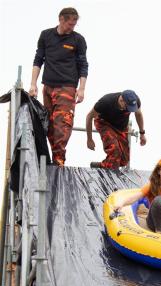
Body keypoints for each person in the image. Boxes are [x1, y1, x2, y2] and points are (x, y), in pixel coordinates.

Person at [29, 7, 88, 167]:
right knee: (48, 124)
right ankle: (53, 157)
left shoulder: (78, 40)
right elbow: (38, 59)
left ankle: (58, 161)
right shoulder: (46, 35)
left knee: (62, 125)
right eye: (70, 24)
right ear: (61, 19)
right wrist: (33, 84)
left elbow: (83, 65)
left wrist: (81, 88)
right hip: (47, 87)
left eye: (74, 24)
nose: (72, 27)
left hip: (67, 88)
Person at [86, 90, 147, 169]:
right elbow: (89, 117)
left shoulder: (135, 101)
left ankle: (101, 166)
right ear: (121, 100)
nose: (129, 110)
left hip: (121, 127)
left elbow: (138, 114)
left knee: (124, 160)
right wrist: (89, 139)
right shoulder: (106, 101)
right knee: (115, 151)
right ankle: (108, 178)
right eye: (128, 108)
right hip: (104, 123)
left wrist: (142, 133)